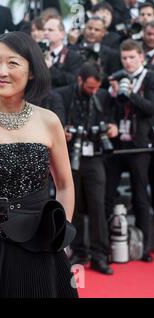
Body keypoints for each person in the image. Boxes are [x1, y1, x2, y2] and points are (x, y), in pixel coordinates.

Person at [0, 32, 78, 298]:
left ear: (32, 72)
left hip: (40, 247)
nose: (1, 71)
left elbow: (65, 185)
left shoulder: (49, 121)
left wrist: (61, 231)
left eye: (13, 63)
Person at [55, 63, 117, 275]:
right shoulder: (62, 95)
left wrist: (111, 127)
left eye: (96, 88)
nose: (93, 91)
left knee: (98, 206)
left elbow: (111, 120)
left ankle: (100, 255)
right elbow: (57, 122)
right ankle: (80, 252)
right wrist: (62, 130)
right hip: (70, 156)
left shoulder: (102, 96)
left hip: (95, 158)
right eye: (90, 87)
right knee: (77, 206)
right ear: (80, 80)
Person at [105, 39, 154, 263]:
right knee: (107, 194)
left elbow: (150, 108)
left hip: (140, 146)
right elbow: (109, 109)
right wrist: (114, 94)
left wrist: (129, 94)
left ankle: (144, 247)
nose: (128, 62)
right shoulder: (117, 77)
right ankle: (106, 244)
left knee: (140, 197)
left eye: (132, 57)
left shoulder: (150, 76)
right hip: (117, 145)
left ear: (141, 57)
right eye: (124, 58)